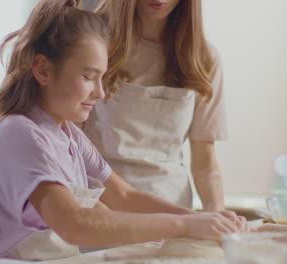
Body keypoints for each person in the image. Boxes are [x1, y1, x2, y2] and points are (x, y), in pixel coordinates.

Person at [0, 0, 249, 263]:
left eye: (102, 78)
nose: (101, 93)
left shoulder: (69, 137)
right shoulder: (19, 134)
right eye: (89, 77)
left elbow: (124, 195)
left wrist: (204, 219)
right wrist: (185, 226)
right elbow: (74, 224)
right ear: (42, 70)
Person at [82, 0, 227, 210]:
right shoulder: (93, 42)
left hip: (172, 213)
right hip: (102, 208)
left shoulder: (204, 58)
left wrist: (218, 216)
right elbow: (68, 139)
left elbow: (205, 161)